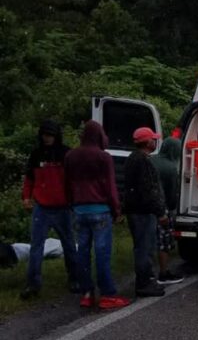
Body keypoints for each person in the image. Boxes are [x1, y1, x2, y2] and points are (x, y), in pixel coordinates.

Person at [65, 120, 130, 309]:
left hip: (79, 210)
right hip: (100, 210)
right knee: (102, 253)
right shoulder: (103, 157)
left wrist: (71, 204)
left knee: (82, 252)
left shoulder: (70, 156)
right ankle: (107, 294)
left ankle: (86, 292)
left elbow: (66, 184)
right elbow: (110, 187)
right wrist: (116, 209)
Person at [20, 120, 78, 300]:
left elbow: (74, 180)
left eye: (50, 135)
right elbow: (29, 179)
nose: (47, 138)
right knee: (36, 246)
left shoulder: (66, 153)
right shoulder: (36, 154)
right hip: (42, 207)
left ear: (56, 135)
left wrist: (75, 201)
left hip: (63, 208)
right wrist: (26, 197)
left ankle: (75, 278)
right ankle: (33, 284)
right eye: (45, 135)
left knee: (69, 244)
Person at [123, 126, 166, 298]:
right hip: (143, 212)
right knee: (144, 248)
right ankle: (144, 284)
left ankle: (146, 280)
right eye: (153, 139)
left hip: (136, 210)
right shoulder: (142, 161)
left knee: (142, 247)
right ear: (147, 142)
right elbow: (149, 190)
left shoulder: (133, 159)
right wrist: (160, 212)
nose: (155, 141)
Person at [151, 136, 184, 284]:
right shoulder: (170, 168)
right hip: (162, 210)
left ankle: (148, 273)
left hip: (146, 209)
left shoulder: (151, 160)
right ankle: (163, 272)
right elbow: (171, 195)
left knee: (147, 243)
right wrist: (171, 209)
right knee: (163, 242)